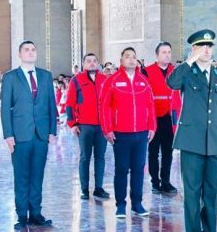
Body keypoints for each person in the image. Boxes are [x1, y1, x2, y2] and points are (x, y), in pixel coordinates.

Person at [167, 29, 217, 232]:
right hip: (192, 144)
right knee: (192, 197)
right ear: (194, 49)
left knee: (212, 197)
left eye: (209, 46)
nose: (207, 50)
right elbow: (171, 82)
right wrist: (188, 61)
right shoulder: (186, 73)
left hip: (215, 143)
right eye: (202, 46)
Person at [0, 41, 58, 230]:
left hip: (41, 134)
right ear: (20, 54)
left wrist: (52, 130)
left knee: (37, 175)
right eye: (27, 50)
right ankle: (22, 215)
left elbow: (51, 105)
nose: (31, 52)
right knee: (21, 175)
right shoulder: (10, 78)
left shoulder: (45, 76)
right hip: (20, 134)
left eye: (33, 49)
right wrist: (8, 134)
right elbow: (5, 110)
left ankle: (36, 213)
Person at [101, 47, 156, 218]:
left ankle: (137, 203)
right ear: (121, 60)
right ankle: (120, 204)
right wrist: (107, 129)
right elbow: (104, 107)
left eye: (134, 57)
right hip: (120, 133)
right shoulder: (112, 81)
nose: (131, 60)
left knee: (139, 169)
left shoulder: (143, 81)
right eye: (127, 57)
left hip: (141, 133)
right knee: (122, 169)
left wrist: (152, 126)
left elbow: (151, 105)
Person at [65, 53, 110, 201]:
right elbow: (70, 104)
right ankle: (84, 189)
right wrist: (72, 124)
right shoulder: (76, 80)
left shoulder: (104, 80)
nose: (92, 63)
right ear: (83, 64)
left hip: (102, 126)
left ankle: (98, 188)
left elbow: (110, 103)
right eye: (89, 61)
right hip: (84, 126)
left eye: (94, 61)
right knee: (85, 157)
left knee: (100, 157)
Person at [144, 42, 182, 194]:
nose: (167, 55)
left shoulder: (176, 71)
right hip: (154, 117)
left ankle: (166, 181)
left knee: (168, 151)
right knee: (153, 151)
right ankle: (155, 182)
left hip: (170, 117)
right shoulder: (147, 71)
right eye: (164, 52)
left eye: (169, 52)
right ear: (157, 55)